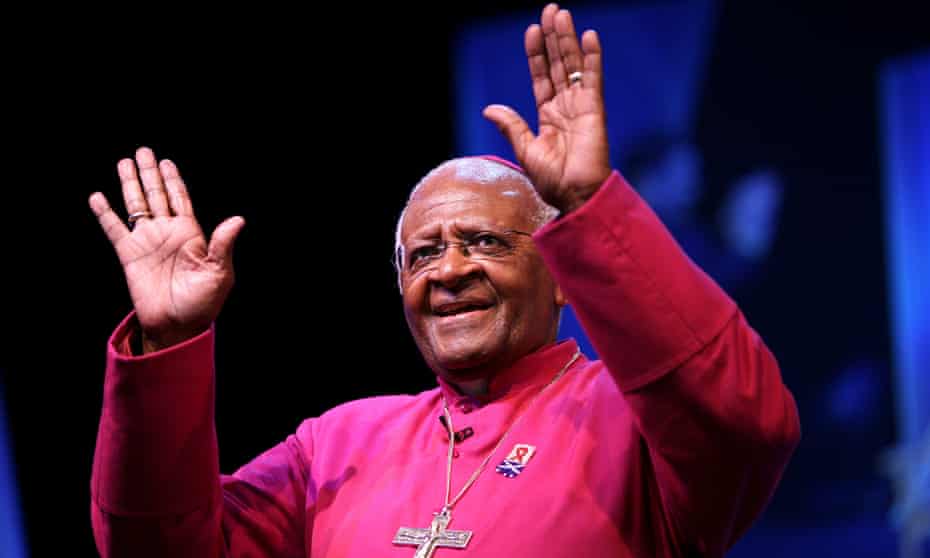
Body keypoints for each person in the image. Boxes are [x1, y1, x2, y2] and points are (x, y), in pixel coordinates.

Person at [88, 5, 800, 557]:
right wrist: (171, 341)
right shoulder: (334, 447)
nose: (450, 269)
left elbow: (747, 420)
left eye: (485, 241)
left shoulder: (635, 424)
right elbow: (156, 545)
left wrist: (589, 207)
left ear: (560, 271)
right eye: (422, 255)